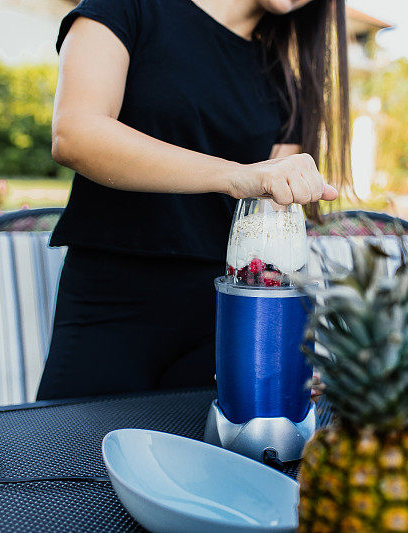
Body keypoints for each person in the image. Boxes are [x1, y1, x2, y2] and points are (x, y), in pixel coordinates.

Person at [36, 0, 351, 400]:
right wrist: (235, 174)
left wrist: (287, 344)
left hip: (224, 322)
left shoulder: (285, 81)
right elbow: (75, 134)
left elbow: (274, 217)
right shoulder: (127, 8)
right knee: (70, 458)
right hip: (111, 303)